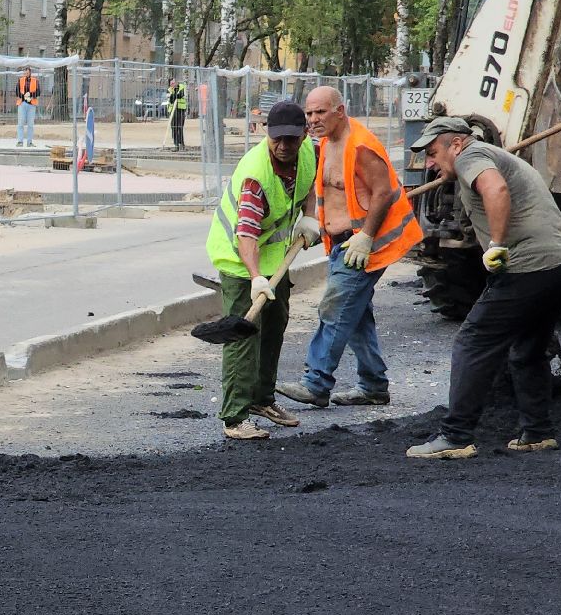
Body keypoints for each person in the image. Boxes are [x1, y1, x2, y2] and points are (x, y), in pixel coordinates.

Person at [406, 117, 561, 458]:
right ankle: (537, 432)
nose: (429, 163)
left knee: (473, 342)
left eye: (432, 153)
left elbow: (496, 189)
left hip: (529, 267)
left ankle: (455, 435)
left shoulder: (471, 156)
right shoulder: (491, 155)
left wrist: (497, 244)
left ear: (455, 144)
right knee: (527, 349)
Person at [275, 86, 422, 411]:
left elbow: (383, 192)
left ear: (339, 111)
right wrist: (315, 222)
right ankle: (373, 385)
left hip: (364, 245)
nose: (313, 119)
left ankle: (316, 383)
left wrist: (366, 236)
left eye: (320, 112)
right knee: (355, 314)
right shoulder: (327, 141)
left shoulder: (361, 145)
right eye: (309, 113)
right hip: (342, 242)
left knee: (335, 309)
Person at [205, 101, 322, 440]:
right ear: (266, 134)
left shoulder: (309, 152)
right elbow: (245, 234)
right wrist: (256, 277)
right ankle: (234, 417)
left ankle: (262, 400)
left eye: (291, 139)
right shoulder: (256, 176)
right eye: (277, 139)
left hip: (275, 258)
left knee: (274, 325)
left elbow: (309, 184)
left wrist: (310, 216)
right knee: (244, 336)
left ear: (304, 135)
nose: (283, 146)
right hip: (239, 260)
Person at [16, 66, 40, 147]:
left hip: (32, 104)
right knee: (20, 123)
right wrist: (24, 96)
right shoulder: (20, 80)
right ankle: (20, 141)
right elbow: (17, 91)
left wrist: (30, 95)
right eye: (24, 72)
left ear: (30, 72)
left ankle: (29, 142)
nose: (26, 73)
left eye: (27, 72)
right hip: (22, 103)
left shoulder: (35, 80)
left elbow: (38, 92)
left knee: (30, 124)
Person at [167, 78, 189, 150]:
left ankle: (181, 143)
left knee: (180, 127)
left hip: (181, 109)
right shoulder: (169, 90)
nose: (173, 84)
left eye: (174, 82)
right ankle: (176, 144)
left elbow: (181, 95)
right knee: (174, 127)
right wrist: (175, 95)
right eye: (171, 83)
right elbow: (171, 100)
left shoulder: (182, 87)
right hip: (172, 111)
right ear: (170, 84)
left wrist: (175, 95)